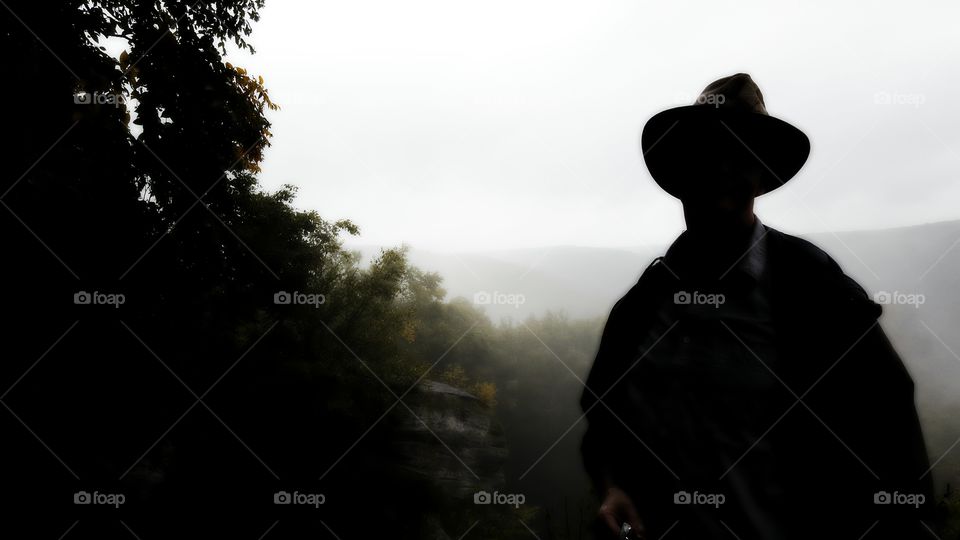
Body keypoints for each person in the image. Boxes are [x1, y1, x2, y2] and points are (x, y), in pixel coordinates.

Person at [580, 73, 934, 539]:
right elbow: (604, 411)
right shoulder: (647, 300)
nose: (722, 170)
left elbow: (889, 416)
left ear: (760, 176)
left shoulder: (814, 287)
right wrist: (612, 486)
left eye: (740, 156)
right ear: (682, 173)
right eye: (707, 154)